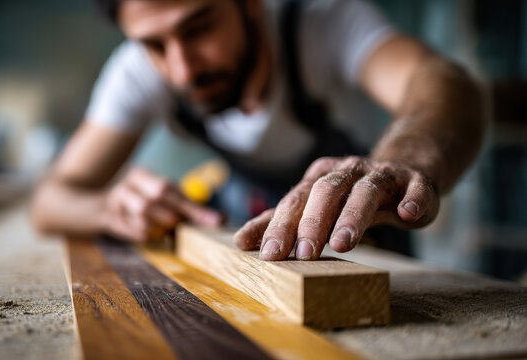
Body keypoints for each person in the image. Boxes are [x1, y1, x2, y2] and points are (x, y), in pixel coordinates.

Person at [30, 0, 486, 261]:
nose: (182, 69)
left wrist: (405, 161)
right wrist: (106, 207)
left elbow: (445, 84)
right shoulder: (138, 71)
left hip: (369, 237)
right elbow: (50, 200)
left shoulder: (323, 22)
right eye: (153, 44)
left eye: (200, 27)